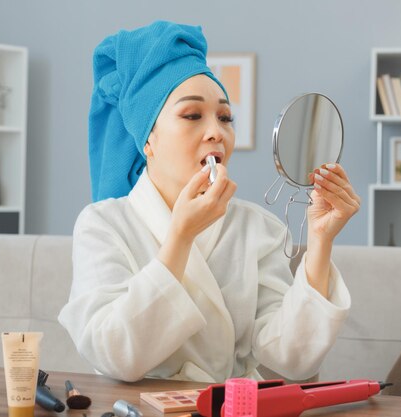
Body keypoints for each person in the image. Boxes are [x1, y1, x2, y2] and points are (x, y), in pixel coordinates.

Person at [58, 21, 360, 383]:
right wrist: (180, 239)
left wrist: (321, 242)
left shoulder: (258, 228)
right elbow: (114, 354)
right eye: (192, 115)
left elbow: (292, 359)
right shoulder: (103, 225)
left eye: (225, 117)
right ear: (147, 141)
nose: (217, 131)